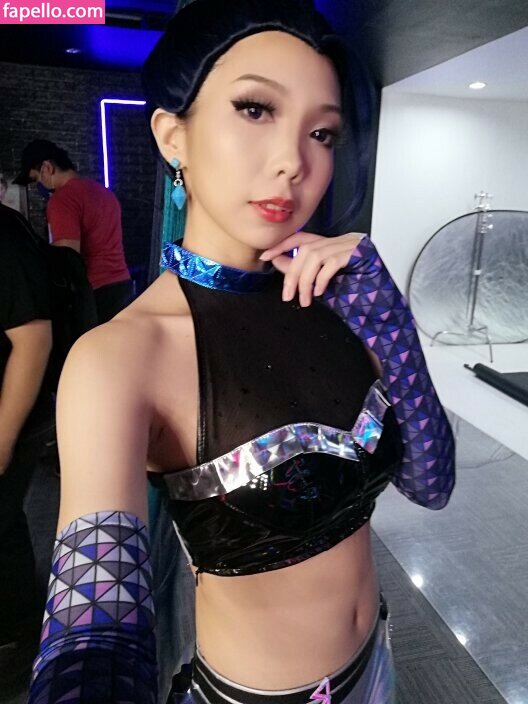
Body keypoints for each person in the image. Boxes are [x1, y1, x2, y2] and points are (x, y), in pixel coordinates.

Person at [28, 1, 456, 703]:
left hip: (379, 664)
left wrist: (389, 320)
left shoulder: (338, 305)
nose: (293, 162)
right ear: (173, 135)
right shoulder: (119, 357)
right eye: (256, 109)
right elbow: (93, 635)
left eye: (321, 132)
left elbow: (431, 485)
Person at [0, 203, 55, 699]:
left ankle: (15, 644)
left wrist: (3, 436)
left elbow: (34, 338)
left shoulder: (4, 236)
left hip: (15, 412)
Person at [14, 139, 133, 324]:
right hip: (122, 286)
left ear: (47, 168)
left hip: (94, 293)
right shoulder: (104, 192)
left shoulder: (62, 199)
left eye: (37, 178)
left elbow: (68, 258)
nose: (40, 185)